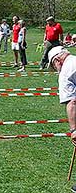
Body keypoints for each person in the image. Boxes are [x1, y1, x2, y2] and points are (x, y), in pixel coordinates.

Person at [47, 46, 76, 193]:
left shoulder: (65, 72)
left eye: (53, 65)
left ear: (57, 60)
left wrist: (74, 130)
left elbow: (72, 102)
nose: (55, 69)